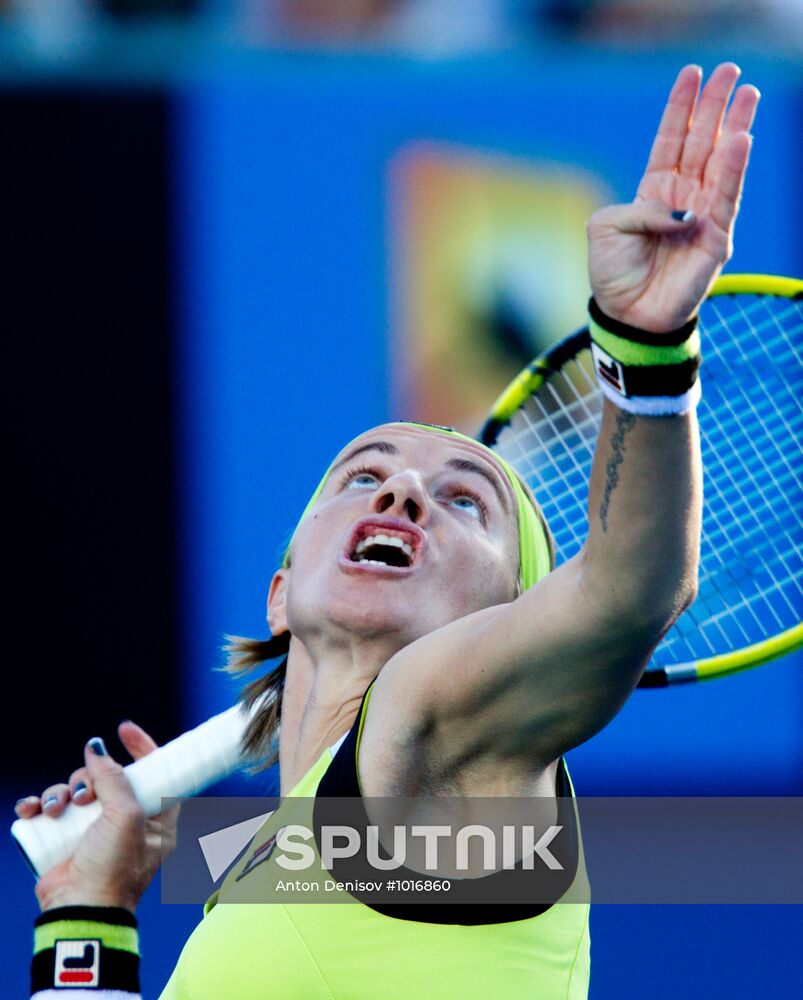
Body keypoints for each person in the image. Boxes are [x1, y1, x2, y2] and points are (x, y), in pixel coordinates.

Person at [18, 62, 758, 999]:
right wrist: (89, 915)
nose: (400, 494)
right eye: (362, 475)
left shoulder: (431, 738)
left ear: (515, 617)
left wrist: (644, 343)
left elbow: (625, 592)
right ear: (280, 591)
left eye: (463, 502)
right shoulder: (274, 865)